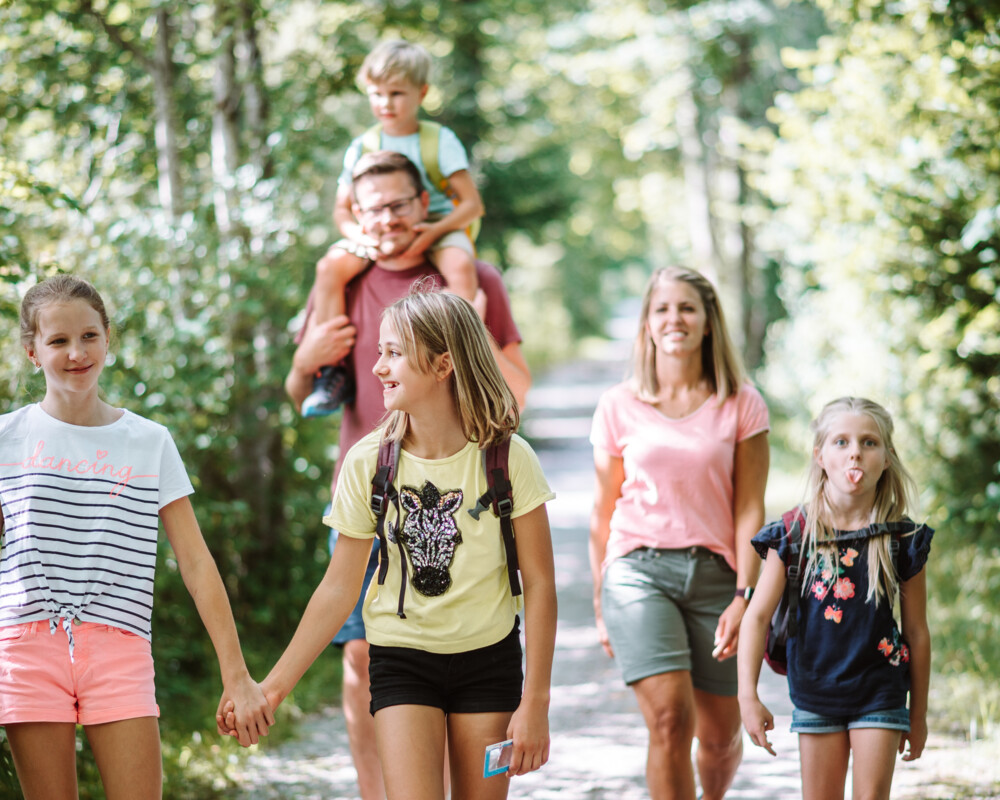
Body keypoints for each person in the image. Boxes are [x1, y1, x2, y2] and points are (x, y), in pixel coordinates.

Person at [228, 287, 557, 800]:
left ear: (444, 363)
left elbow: (538, 583)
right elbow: (339, 589)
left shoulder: (509, 459)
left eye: (393, 353)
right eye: (379, 352)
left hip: (489, 664)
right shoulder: (367, 462)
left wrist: (535, 701)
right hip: (401, 660)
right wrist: (274, 688)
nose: (378, 368)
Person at [283, 150, 530, 799]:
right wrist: (304, 358)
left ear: (425, 205)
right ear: (355, 214)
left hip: (458, 486)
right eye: (373, 209)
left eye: (399, 204)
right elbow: (303, 391)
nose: (388, 220)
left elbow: (513, 384)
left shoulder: (468, 277)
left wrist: (468, 336)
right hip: (370, 490)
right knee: (364, 658)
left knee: (455, 655)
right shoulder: (346, 278)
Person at [0, 274, 273, 799]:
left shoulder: (149, 442)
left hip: (118, 647)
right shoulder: (7, 438)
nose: (76, 352)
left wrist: (236, 675)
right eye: (57, 341)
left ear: (108, 338)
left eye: (89, 336)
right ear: (33, 351)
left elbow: (196, 564)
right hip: (25, 648)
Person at [589, 266, 770, 800]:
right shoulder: (618, 405)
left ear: (708, 322)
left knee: (718, 737)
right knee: (670, 720)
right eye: (663, 308)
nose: (675, 319)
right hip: (637, 573)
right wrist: (602, 599)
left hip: (718, 578)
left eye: (687, 308)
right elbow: (602, 513)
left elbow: (749, 508)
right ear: (646, 323)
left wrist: (746, 596)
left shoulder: (741, 402)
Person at [738, 396, 932, 800]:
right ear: (820, 456)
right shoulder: (793, 533)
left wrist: (919, 714)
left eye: (869, 442)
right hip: (816, 689)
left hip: (880, 686)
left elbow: (916, 629)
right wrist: (747, 696)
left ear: (887, 457)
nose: (855, 452)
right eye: (841, 442)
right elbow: (756, 618)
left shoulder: (902, 538)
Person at [302, 39, 485, 417]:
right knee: (330, 268)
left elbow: (471, 204)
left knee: (461, 269)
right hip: (377, 232)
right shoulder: (363, 146)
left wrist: (431, 233)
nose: (386, 103)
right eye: (377, 94)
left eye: (397, 93)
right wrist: (362, 238)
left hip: (437, 224)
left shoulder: (439, 141)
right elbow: (343, 212)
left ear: (421, 93)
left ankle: (466, 362)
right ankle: (332, 373)